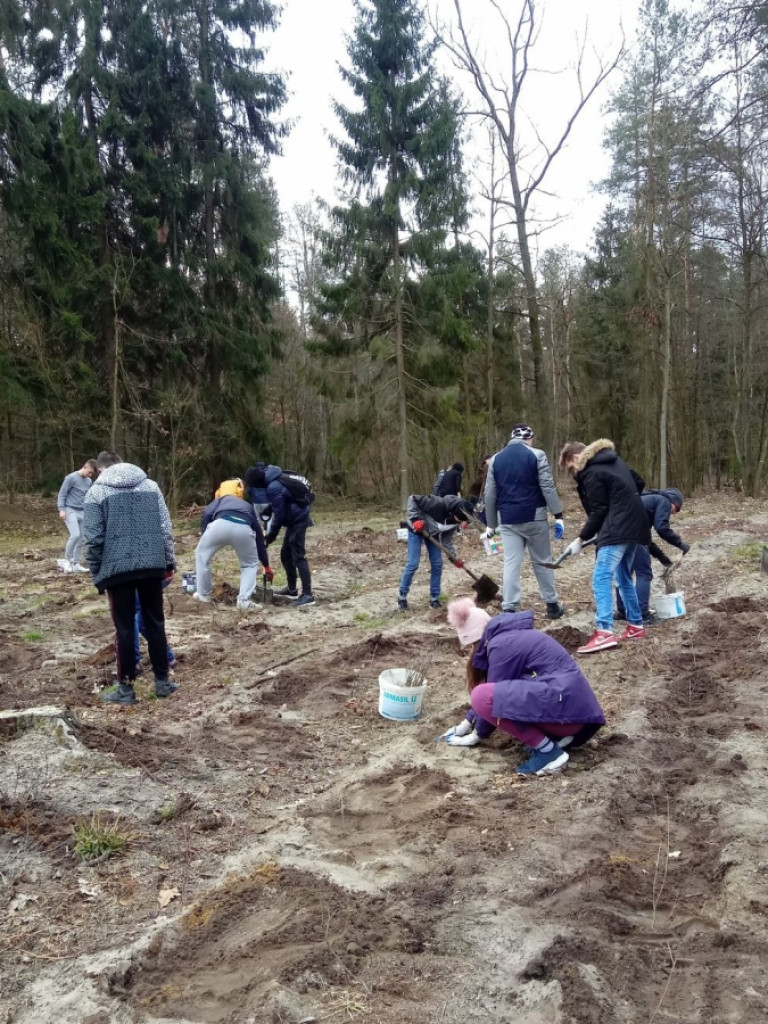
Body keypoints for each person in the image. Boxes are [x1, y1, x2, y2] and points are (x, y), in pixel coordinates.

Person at [442, 598, 606, 776]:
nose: (470, 652)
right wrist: (465, 724)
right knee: (489, 692)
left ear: (476, 639)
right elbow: (494, 687)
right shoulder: (508, 637)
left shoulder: (500, 645)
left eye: (471, 646)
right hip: (572, 715)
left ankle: (548, 753)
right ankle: (555, 741)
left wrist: (477, 734)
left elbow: (489, 696)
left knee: (481, 694)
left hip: (565, 715)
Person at [83, 451, 177, 705]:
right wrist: (169, 562)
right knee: (155, 622)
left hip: (117, 571)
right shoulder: (151, 486)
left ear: (101, 469)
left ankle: (126, 689)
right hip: (151, 565)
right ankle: (162, 682)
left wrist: (96, 573)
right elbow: (165, 529)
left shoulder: (96, 493)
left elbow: (93, 539)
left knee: (124, 629)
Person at [558, 439, 651, 654]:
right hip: (636, 524)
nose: (573, 474)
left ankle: (604, 632)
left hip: (618, 527)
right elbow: (639, 482)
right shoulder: (614, 461)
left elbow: (599, 510)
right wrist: (622, 504)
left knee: (601, 576)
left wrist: (580, 539)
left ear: (575, 458)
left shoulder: (591, 471)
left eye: (571, 469)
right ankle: (636, 624)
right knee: (623, 575)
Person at [483, 423, 565, 619]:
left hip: (508, 519)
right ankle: (552, 605)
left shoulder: (495, 460)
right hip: (534, 517)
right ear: (529, 438)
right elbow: (547, 486)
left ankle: (509, 608)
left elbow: (489, 495)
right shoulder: (537, 455)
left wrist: (491, 524)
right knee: (542, 561)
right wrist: (558, 514)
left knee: (511, 562)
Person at [193, 479, 273, 610]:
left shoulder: (218, 501)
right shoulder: (246, 505)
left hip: (219, 525)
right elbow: (259, 537)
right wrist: (266, 565)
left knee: (202, 555)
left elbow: (207, 513)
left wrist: (204, 535)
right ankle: (244, 601)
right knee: (250, 564)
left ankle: (203, 595)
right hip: (243, 528)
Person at [616, 487, 690, 625]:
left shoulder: (645, 501)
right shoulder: (664, 501)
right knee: (644, 573)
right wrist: (682, 545)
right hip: (632, 535)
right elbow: (661, 528)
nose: (673, 512)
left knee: (624, 573)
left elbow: (646, 539)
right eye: (676, 508)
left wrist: (661, 557)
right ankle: (642, 614)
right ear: (673, 500)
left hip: (618, 533)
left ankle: (622, 611)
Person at [247, 464, 315, 607]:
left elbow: (279, 516)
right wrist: (269, 509)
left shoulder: (273, 487)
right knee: (285, 554)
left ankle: (308, 595)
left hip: (298, 518)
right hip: (295, 517)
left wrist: (270, 537)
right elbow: (283, 500)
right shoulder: (274, 478)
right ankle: (291, 589)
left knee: (298, 556)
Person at [398, 494, 474, 611]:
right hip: (417, 529)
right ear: (453, 512)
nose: (458, 522)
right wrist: (415, 519)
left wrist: (453, 558)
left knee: (437, 564)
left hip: (432, 535)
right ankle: (402, 597)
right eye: (459, 519)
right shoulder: (437, 504)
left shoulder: (455, 521)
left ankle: (434, 599)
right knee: (413, 564)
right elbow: (412, 498)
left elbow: (446, 540)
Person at [57, 459, 98, 572]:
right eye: (89, 472)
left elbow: (87, 497)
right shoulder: (70, 478)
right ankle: (67, 560)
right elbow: (62, 494)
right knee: (75, 535)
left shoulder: (88, 481)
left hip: (82, 511)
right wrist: (61, 509)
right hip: (70, 509)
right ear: (84, 466)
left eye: (92, 474)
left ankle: (76, 564)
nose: (90, 475)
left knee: (81, 539)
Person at [134, 579, 177, 674]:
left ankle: (133, 664)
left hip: (130, 575)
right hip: (153, 573)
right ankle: (167, 658)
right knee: (146, 621)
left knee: (130, 616)